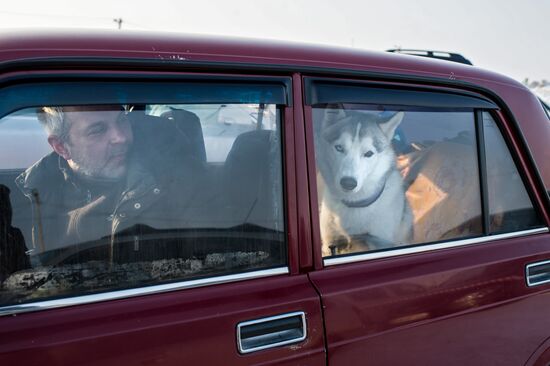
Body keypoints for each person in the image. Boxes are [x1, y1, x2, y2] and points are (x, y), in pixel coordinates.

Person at [16, 105, 204, 265]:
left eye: (122, 120)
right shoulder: (30, 196)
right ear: (61, 147)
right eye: (98, 130)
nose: (120, 137)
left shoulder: (175, 182)